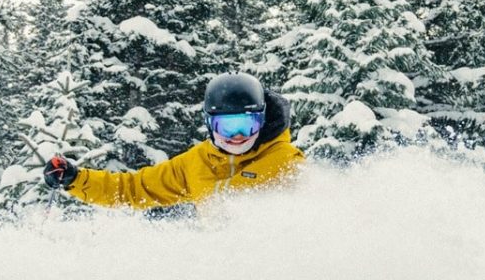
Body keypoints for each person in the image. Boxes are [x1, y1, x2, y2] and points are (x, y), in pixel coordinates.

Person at [42, 72, 305, 209]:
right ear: (209, 124)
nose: (237, 137)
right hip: (223, 266)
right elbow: (134, 189)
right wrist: (77, 179)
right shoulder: (196, 163)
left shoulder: (285, 161)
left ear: (261, 120)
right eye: (226, 126)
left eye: (246, 126)